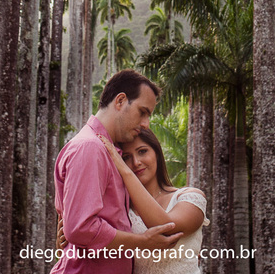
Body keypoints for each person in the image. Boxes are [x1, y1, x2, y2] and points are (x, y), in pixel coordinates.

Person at [51, 69, 183, 273]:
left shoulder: (109, 151)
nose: (146, 124)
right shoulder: (90, 147)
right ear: (120, 101)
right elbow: (80, 228)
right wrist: (141, 242)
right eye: (143, 112)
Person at [98, 127, 209, 274]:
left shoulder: (190, 197)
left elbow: (165, 228)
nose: (136, 162)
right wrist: (66, 245)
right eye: (126, 157)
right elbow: (99, 244)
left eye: (142, 151)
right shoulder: (121, 210)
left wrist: (124, 169)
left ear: (157, 153)